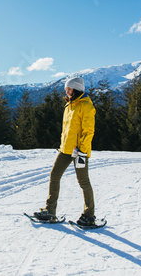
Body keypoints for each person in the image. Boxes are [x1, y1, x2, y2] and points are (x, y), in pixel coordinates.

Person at [34, 76, 97, 226]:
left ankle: (89, 215)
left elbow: (88, 131)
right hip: (65, 150)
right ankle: (50, 211)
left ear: (77, 89)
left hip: (80, 152)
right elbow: (67, 130)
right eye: (66, 89)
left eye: (69, 89)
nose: (67, 92)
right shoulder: (69, 106)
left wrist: (81, 150)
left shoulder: (86, 106)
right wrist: (63, 145)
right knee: (54, 175)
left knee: (83, 182)